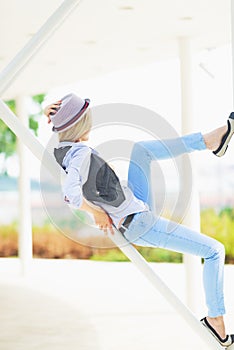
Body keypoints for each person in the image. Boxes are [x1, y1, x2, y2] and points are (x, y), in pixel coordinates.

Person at [44, 93, 234, 347]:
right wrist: (96, 213)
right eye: (88, 119)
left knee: (141, 150)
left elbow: (61, 141)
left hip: (135, 204)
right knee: (214, 250)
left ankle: (210, 141)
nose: (91, 123)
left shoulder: (63, 149)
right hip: (138, 223)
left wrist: (50, 112)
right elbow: (71, 194)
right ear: (80, 124)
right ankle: (216, 321)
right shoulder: (79, 154)